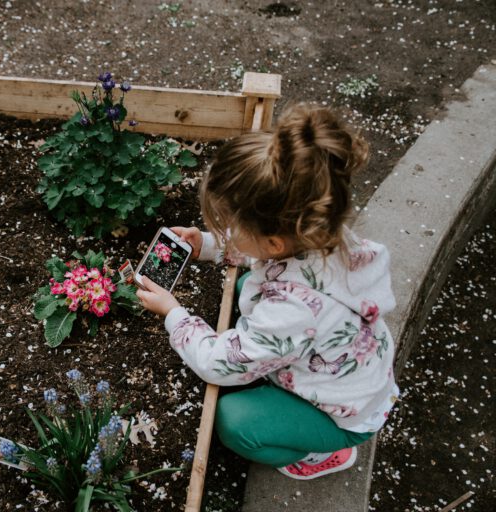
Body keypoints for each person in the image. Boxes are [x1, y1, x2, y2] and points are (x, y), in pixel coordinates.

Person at [136, 104, 399, 480]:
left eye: (230, 224)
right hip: (348, 370)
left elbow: (218, 364)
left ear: (274, 242)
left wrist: (174, 313)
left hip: (341, 413)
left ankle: (319, 454)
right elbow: (264, 254)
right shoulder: (326, 235)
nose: (225, 228)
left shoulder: (292, 310)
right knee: (247, 285)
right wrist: (208, 245)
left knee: (234, 421)